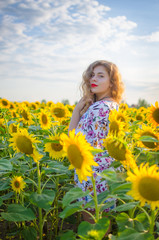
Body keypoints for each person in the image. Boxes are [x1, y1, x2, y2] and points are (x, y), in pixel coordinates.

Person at [68, 60, 124, 223]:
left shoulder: (99, 108)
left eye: (101, 76)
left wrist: (77, 110)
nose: (94, 79)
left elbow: (74, 140)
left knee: (93, 227)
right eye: (92, 75)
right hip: (105, 176)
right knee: (101, 227)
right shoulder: (112, 105)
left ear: (112, 82)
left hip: (93, 177)